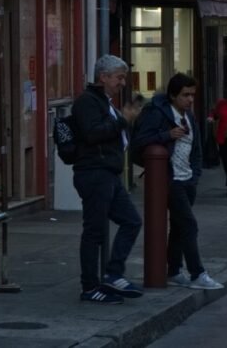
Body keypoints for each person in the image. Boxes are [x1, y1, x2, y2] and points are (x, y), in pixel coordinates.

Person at [132, 73, 223, 290]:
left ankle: (173, 270)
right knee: (189, 225)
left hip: (187, 179)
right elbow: (139, 142)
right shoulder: (156, 113)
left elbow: (196, 148)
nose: (190, 100)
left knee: (179, 226)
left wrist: (195, 175)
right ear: (173, 95)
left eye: (192, 95)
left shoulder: (189, 116)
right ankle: (197, 273)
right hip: (169, 179)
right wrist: (166, 135)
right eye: (185, 95)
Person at [70, 54, 143, 304]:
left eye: (123, 77)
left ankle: (113, 273)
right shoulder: (88, 102)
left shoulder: (105, 101)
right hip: (94, 173)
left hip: (109, 173)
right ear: (103, 77)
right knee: (94, 230)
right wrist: (124, 120)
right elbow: (92, 134)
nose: (122, 82)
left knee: (131, 221)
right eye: (119, 78)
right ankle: (89, 286)